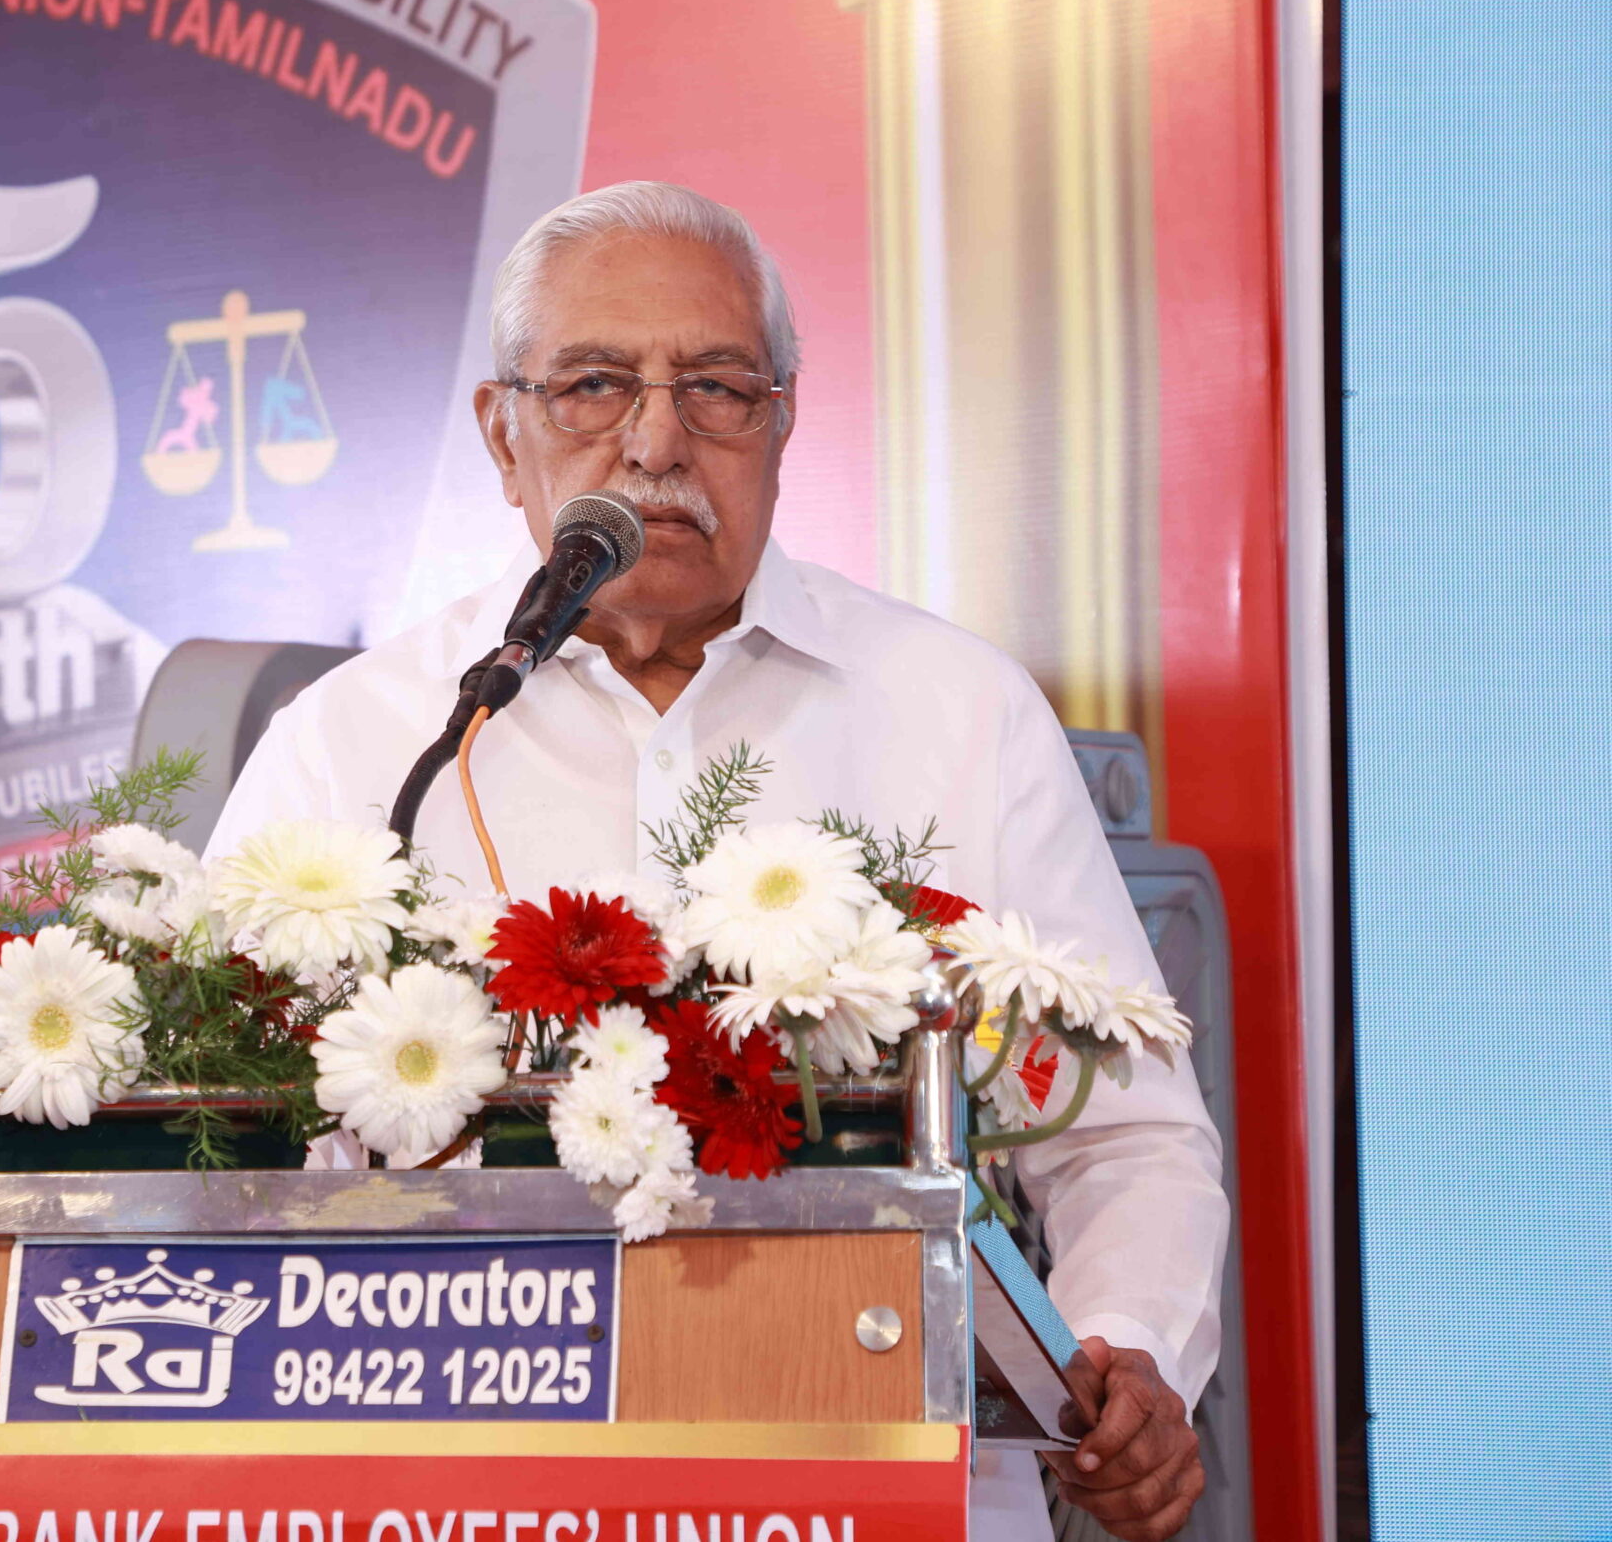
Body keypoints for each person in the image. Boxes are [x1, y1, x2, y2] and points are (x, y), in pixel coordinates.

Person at [206, 182, 1225, 1542]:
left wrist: (1128, 1351)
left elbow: (1126, 1137)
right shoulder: (361, 743)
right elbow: (215, 1149)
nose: (654, 441)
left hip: (883, 1479)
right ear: (502, 433)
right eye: (593, 385)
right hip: (465, 1490)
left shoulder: (957, 713)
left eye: (718, 389)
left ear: (784, 421)